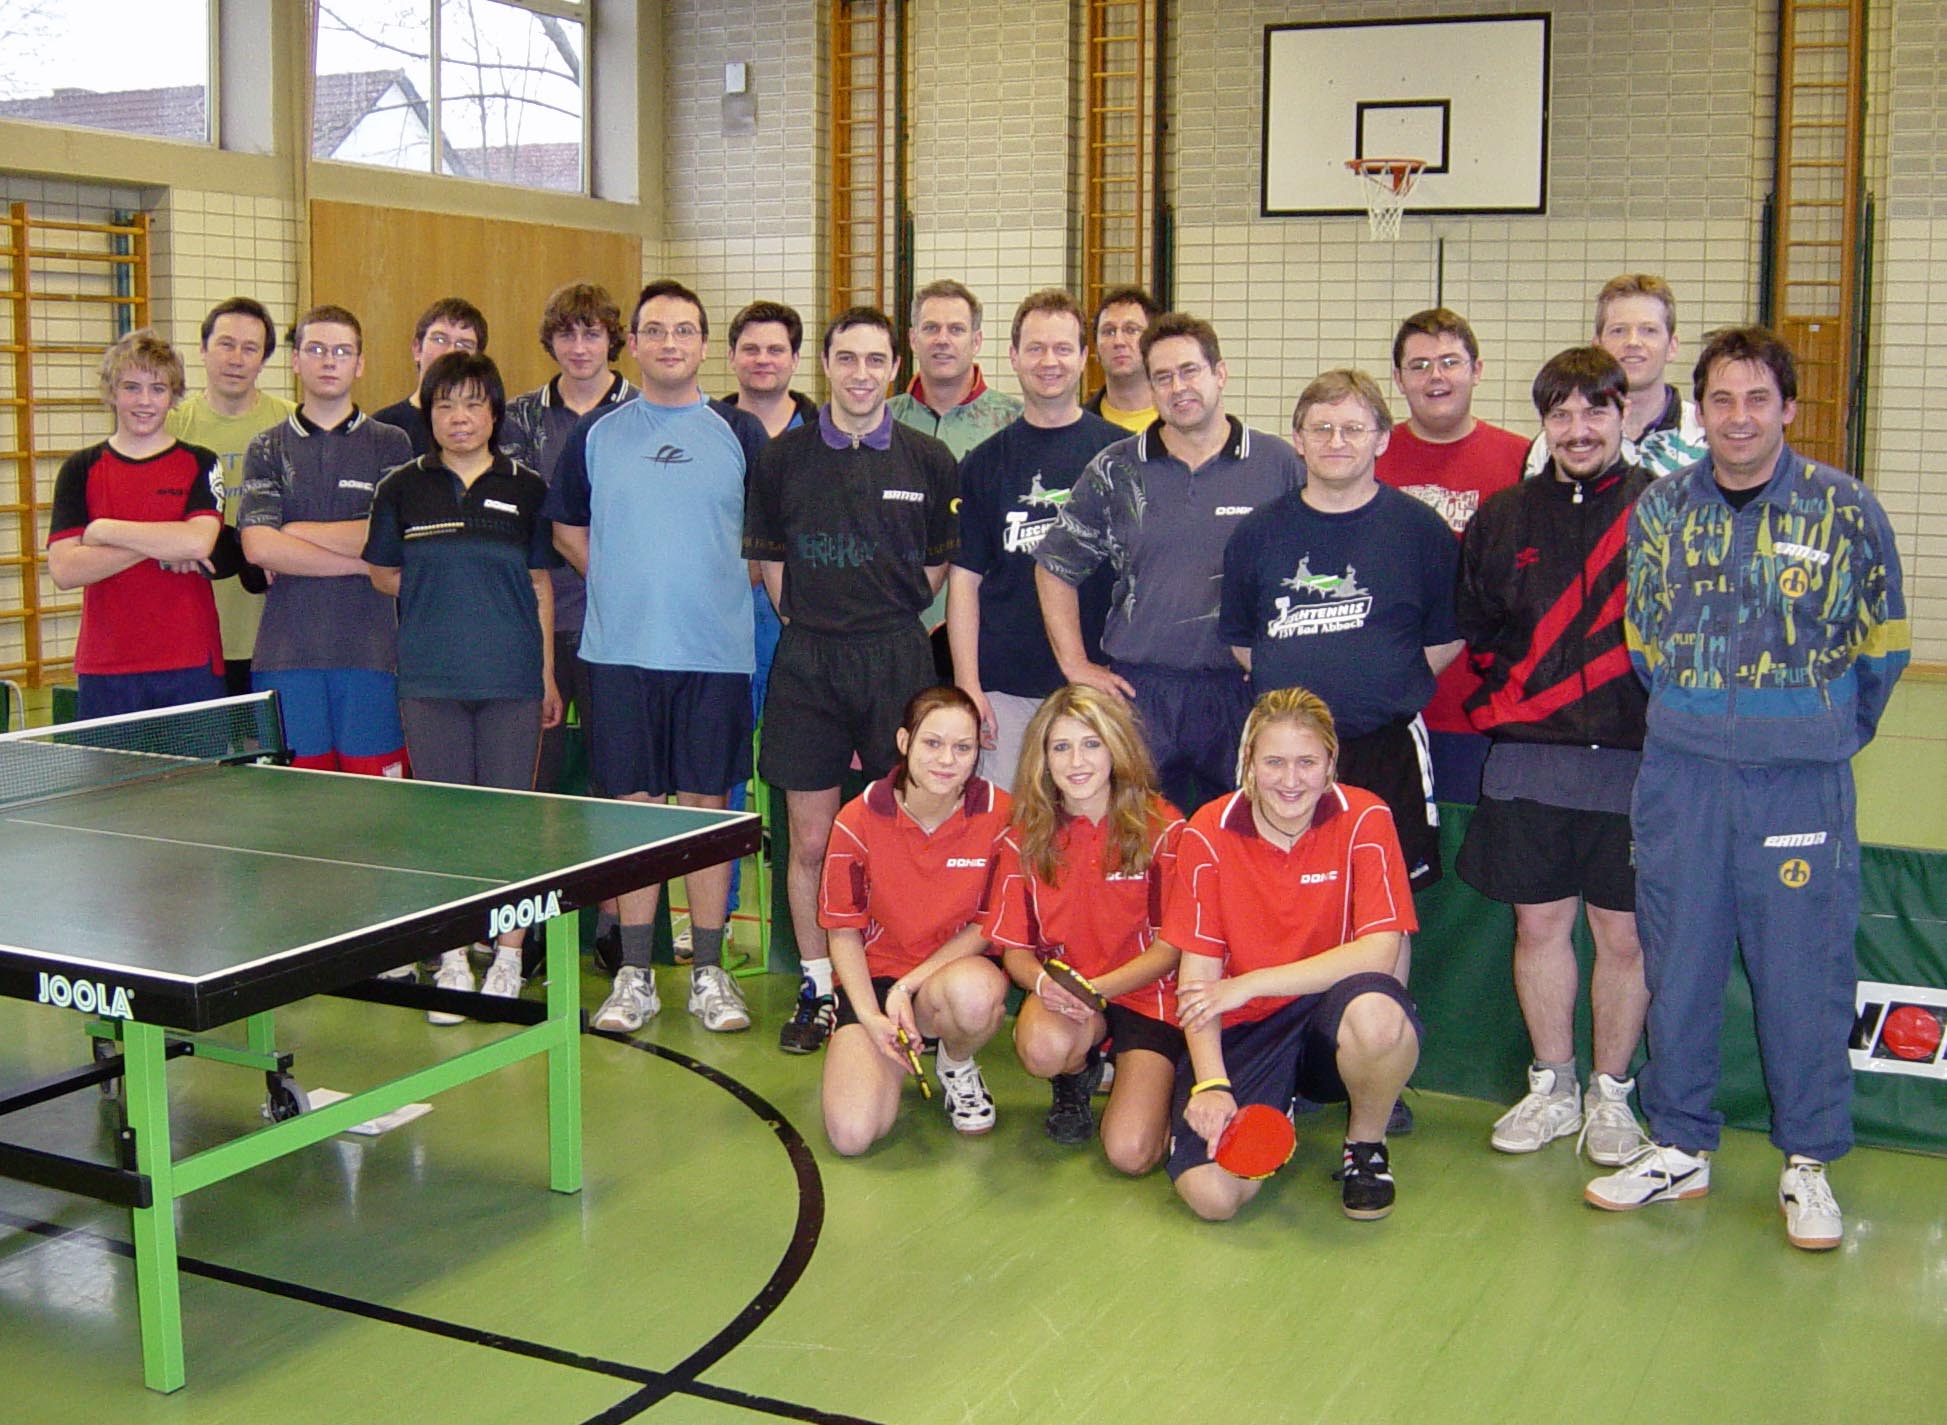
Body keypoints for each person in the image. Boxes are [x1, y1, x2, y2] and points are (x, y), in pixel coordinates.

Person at [1587, 326, 1908, 1251]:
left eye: (1756, 399)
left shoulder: (1843, 508)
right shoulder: (1660, 509)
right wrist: (1696, 716)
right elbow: (1644, 636)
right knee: (1678, 959)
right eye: (1720, 400)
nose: (1737, 417)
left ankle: (1807, 1160)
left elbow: (1882, 641)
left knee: (1801, 972)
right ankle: (1679, 1143)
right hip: (1681, 775)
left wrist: (1816, 730)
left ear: (1787, 409)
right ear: (1699, 411)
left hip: (1797, 783)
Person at [545, 280, 768, 1036]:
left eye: (684, 330)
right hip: (619, 655)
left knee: (707, 812)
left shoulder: (740, 432)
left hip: (714, 656)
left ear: (703, 345)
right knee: (632, 814)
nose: (670, 342)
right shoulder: (597, 434)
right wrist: (618, 580)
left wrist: (715, 585)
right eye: (655, 330)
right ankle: (635, 974)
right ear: (632, 344)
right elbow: (566, 529)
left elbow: (765, 538)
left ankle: (708, 972)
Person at [1455, 347, 1654, 1165]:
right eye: (1560, 413)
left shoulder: (1662, 510)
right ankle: (1553, 1084)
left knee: (1623, 937)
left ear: (1621, 414)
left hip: (1635, 761)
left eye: (1594, 410)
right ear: (1543, 422)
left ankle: (1610, 1094)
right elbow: (1477, 628)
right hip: (1529, 757)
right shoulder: (1502, 517)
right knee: (1537, 925)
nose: (1578, 429)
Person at [744, 306, 958, 1054]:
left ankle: (896, 983)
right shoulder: (782, 459)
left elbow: (936, 567)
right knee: (810, 840)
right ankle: (817, 987)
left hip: (897, 658)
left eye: (875, 360)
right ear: (826, 365)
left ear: (894, 368)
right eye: (847, 358)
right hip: (808, 660)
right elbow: (773, 566)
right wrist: (817, 624)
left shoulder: (929, 460)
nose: (861, 374)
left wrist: (882, 620)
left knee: (901, 837)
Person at [1163, 687, 1422, 1223]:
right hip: (1246, 1027)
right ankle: (1275, 1099)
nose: (1290, 779)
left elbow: (1380, 950)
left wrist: (1252, 982)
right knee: (1213, 1198)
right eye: (1274, 762)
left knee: (1379, 1015)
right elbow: (1199, 976)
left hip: (1331, 1014)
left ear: (1330, 763)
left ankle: (1365, 1148)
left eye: (1306, 762)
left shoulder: (1365, 816)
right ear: (1249, 762)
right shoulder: (1207, 829)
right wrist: (1211, 1084)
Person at [1034, 312, 1300, 819]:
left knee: (1244, 837)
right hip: (1142, 692)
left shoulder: (1277, 465)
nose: (1178, 388)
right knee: (1138, 839)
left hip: (1242, 690)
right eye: (1162, 377)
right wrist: (1074, 664)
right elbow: (1054, 566)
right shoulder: (1117, 468)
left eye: (1189, 371)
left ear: (1220, 373)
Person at [363, 351, 560, 1014]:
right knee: (441, 826)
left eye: (473, 403)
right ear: (429, 413)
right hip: (430, 679)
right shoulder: (401, 488)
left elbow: (539, 584)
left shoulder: (527, 488)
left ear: (494, 413)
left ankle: (507, 958)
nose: (459, 417)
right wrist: (444, 590)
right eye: (445, 404)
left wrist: (546, 675)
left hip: (511, 679)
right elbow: (382, 573)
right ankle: (451, 960)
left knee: (509, 825)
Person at [1220, 368, 1459, 895]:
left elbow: (1446, 637)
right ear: (1298, 440)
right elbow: (1241, 639)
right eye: (1321, 429)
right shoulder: (1258, 532)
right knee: (1276, 892)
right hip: (1283, 752)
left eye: (1352, 429)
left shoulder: (1420, 531)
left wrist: (1381, 684)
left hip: (1385, 746)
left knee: (1386, 898)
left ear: (1382, 439)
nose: (1336, 441)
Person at [986, 685, 1183, 1164]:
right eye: (1061, 747)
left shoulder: (1163, 827)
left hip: (1148, 998)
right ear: (1043, 758)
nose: (1076, 761)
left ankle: (1166, 1086)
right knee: (1040, 1047)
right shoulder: (1023, 838)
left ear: (1116, 747)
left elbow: (1171, 948)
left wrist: (1098, 990)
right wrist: (1043, 985)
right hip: (1071, 996)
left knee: (1131, 1155)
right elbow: (1015, 950)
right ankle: (1076, 1075)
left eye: (1091, 744)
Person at [817, 687, 1013, 1152]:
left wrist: (908, 988)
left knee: (975, 995)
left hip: (949, 979)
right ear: (904, 741)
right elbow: (843, 930)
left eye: (962, 747)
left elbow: (987, 925)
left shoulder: (1001, 815)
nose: (947, 760)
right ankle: (881, 1046)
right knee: (851, 1136)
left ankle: (956, 1063)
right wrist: (871, 1015)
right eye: (932, 743)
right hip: (877, 984)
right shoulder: (857, 818)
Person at [947, 289, 1121, 790]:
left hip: (1098, 685)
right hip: (1008, 689)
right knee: (1009, 827)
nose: (1049, 362)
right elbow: (964, 582)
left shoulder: (1119, 455)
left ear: (1084, 358)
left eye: (1063, 348)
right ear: (1013, 356)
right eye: (1036, 348)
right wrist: (968, 684)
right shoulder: (984, 462)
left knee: (1094, 826)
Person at [237, 304, 413, 776]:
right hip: (286, 657)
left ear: (360, 363)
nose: (329, 361)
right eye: (315, 349)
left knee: (376, 805)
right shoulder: (267, 447)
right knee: (300, 805)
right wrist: (362, 563)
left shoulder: (391, 443)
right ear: (295, 361)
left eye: (342, 351)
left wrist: (293, 533)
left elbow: (390, 537)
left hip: (373, 657)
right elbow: (258, 548)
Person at [1375, 307, 1530, 804]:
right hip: (1385, 709)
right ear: (1398, 378)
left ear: (1477, 370)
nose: (1435, 377)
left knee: (1469, 847)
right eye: (1419, 365)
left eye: (1450, 362)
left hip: (1485, 710)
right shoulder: (1366, 457)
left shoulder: (1525, 460)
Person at [47, 329, 230, 718]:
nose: (144, 401)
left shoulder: (201, 462)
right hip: (106, 667)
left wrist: (102, 530)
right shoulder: (80, 469)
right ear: (112, 392)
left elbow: (198, 543)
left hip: (189, 662)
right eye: (131, 387)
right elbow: (65, 570)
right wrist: (165, 541)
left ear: (173, 396)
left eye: (157, 389)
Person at [500, 281, 637, 798]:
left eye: (591, 334)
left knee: (619, 779)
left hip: (620, 622)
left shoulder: (642, 412)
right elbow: (521, 518)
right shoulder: (517, 417)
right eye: (566, 335)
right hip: (537, 620)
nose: (579, 348)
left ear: (613, 340)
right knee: (537, 778)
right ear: (549, 341)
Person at [165, 297, 295, 694]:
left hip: (277, 633)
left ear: (264, 359)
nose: (236, 359)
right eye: (225, 344)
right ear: (202, 349)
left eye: (250, 348)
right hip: (194, 635)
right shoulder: (170, 428)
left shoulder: (293, 424)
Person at [1521, 274, 1707, 480]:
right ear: (1597, 346)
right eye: (1618, 331)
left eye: (1649, 330)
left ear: (1672, 347)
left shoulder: (1707, 437)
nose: (1633, 342)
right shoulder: (1557, 445)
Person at [886, 279, 1022, 458]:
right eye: (931, 328)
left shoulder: (1014, 422)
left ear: (976, 342)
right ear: (913, 339)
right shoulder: (883, 420)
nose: (942, 340)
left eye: (956, 329)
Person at [372, 297, 488, 456]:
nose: (450, 352)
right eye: (440, 340)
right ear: (417, 349)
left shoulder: (492, 429)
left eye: (464, 345)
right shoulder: (382, 428)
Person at [1084, 285, 1161, 433]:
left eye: (1131, 330)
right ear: (1096, 349)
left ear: (1153, 343)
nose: (1119, 342)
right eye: (1109, 332)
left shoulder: (1181, 422)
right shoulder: (1079, 429)